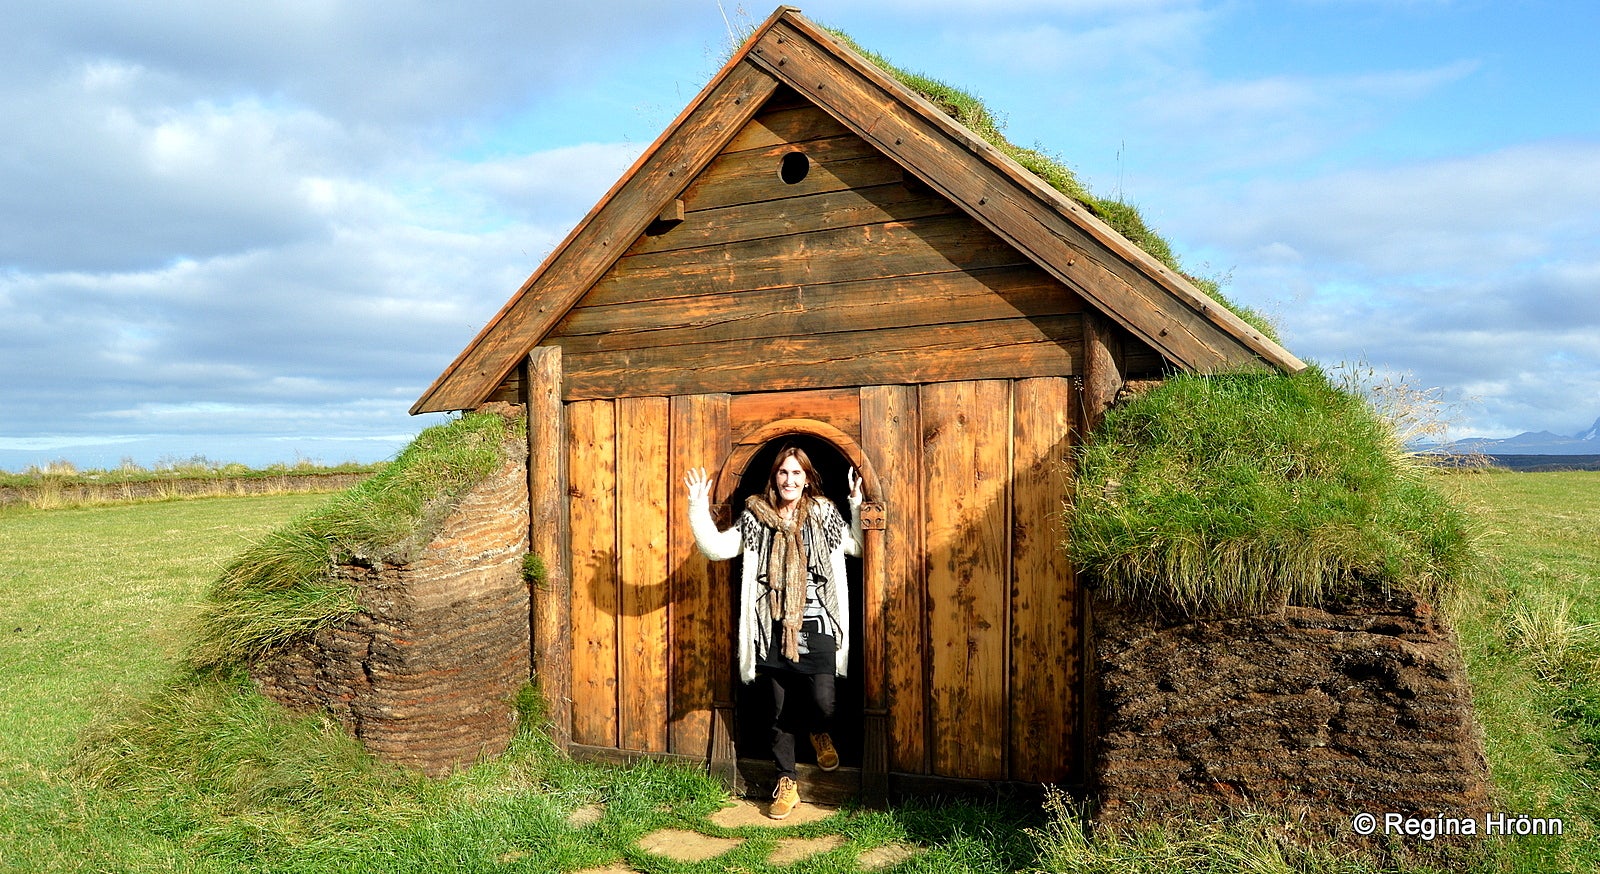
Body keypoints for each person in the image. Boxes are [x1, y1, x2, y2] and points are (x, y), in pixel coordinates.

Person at [685, 445, 862, 820]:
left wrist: (857, 504)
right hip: (770, 626)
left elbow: (859, 548)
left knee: (823, 701)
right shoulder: (756, 518)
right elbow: (716, 549)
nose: (789, 480)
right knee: (778, 710)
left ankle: (818, 730)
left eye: (797, 473)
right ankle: (786, 781)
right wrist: (697, 507)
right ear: (774, 477)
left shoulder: (823, 514)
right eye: (784, 472)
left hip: (818, 623)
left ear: (807, 479)